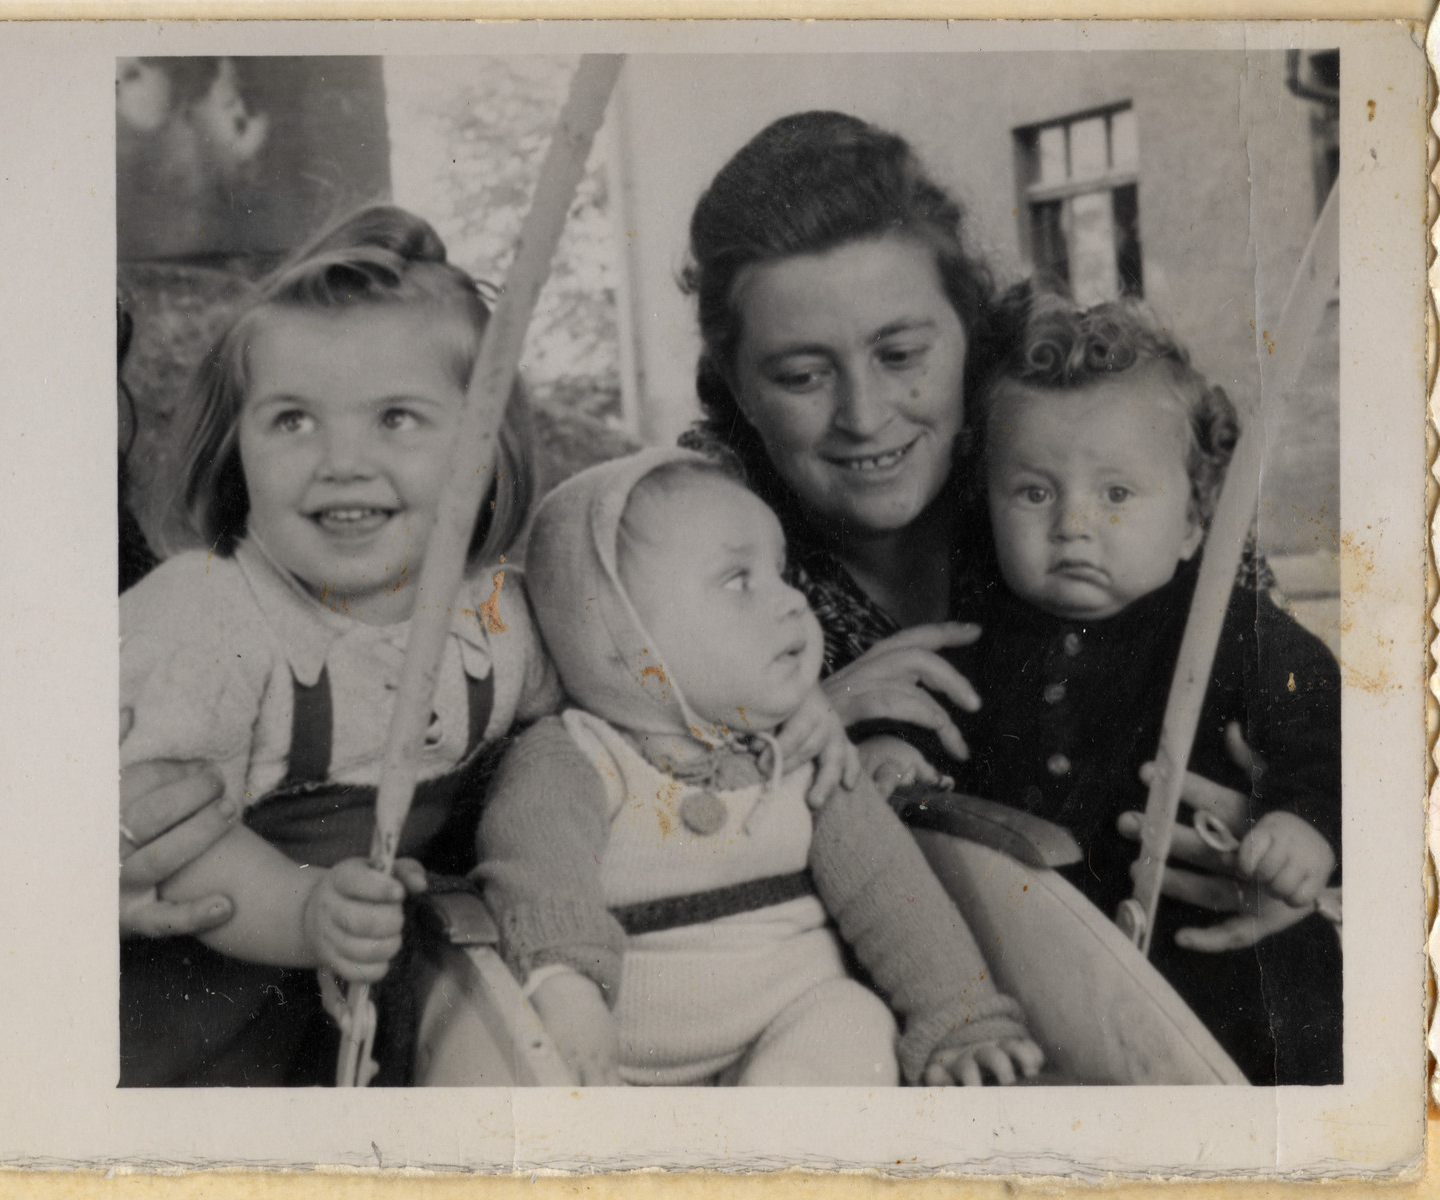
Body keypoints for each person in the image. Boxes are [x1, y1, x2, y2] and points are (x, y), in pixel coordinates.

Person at [675, 110, 1311, 985]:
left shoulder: (1099, 458)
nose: (864, 415)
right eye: (800, 375)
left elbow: (1308, 732)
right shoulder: (691, 548)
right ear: (733, 380)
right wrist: (796, 731)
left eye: (901, 352)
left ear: (969, 331)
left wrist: (1294, 849)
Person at [117, 204, 561, 1086]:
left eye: (395, 418)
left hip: (358, 1022)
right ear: (234, 446)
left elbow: (569, 723)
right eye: (292, 421)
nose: (341, 459)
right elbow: (168, 822)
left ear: (485, 450)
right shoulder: (211, 618)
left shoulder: (495, 617)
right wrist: (303, 909)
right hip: (193, 1035)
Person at [855, 291, 1342, 1084]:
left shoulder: (1233, 627)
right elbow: (925, 708)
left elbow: (1328, 733)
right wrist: (891, 746)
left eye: (1115, 495)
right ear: (988, 501)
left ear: (1193, 521)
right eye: (1034, 493)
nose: (1072, 523)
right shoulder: (977, 635)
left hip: (1238, 997)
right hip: (1062, 998)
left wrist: (1307, 825)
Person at [476, 448, 1044, 1087]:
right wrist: (565, 984)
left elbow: (892, 893)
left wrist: (960, 1017)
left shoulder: (805, 753)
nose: (790, 603)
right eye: (738, 580)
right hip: (625, 1066)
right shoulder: (576, 757)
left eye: (782, 574)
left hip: (789, 1030)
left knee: (853, 1018)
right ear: (614, 630)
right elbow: (539, 876)